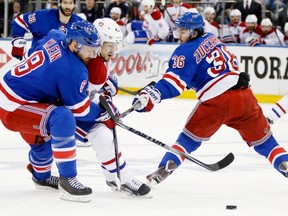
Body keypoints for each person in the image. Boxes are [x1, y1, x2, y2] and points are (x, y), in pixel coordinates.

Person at [130, 12, 288, 186]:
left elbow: (173, 84)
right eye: (178, 31)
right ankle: (284, 164)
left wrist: (151, 96)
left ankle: (165, 167)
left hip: (216, 103)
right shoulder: (212, 38)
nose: (178, 36)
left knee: (188, 140)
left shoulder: (184, 51)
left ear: (195, 32)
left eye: (183, 31)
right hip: (244, 97)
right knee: (267, 144)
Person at [0, 20, 101, 202]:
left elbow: (36, 49)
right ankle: (68, 179)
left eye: (96, 49)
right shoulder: (72, 69)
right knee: (62, 118)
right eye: (90, 49)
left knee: (42, 141)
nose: (94, 55)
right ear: (76, 44)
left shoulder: (56, 36)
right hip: (14, 107)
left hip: (17, 95)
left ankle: (42, 178)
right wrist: (102, 112)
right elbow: (81, 110)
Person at [75, 17, 151, 197]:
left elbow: (90, 89)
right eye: (110, 47)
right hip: (56, 107)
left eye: (115, 47)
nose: (113, 52)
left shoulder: (93, 58)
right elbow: (78, 98)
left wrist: (107, 86)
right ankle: (120, 177)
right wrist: (102, 109)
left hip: (67, 104)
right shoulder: (90, 64)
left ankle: (117, 177)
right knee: (100, 132)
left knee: (103, 136)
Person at [11, 0, 83, 61]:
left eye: (70, 3)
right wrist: (18, 43)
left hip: (62, 70)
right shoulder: (43, 16)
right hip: (38, 67)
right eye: (65, 3)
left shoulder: (80, 23)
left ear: (74, 5)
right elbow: (19, 21)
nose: (68, 7)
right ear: (59, 3)